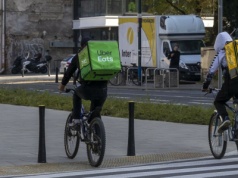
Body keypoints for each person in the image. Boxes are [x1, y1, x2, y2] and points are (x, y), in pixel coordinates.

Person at [58, 37, 108, 126]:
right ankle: (97, 135)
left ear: (82, 46)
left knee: (76, 94)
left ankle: (76, 120)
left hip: (88, 89)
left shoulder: (80, 56)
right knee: (94, 114)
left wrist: (62, 85)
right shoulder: (100, 54)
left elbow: (68, 73)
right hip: (103, 90)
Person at [202, 32, 238, 133]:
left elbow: (211, 71)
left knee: (218, 101)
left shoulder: (223, 51)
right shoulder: (236, 48)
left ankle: (225, 118)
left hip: (233, 80)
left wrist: (205, 85)